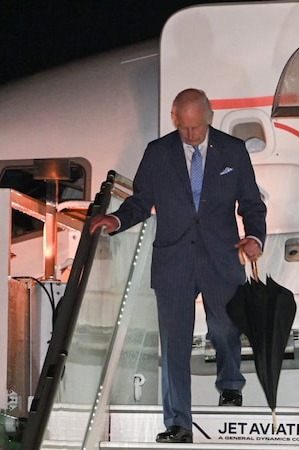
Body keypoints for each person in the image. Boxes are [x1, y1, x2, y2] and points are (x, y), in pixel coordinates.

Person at [88, 88, 266, 444]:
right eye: (184, 128)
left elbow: (251, 202)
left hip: (221, 255)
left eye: (196, 128)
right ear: (175, 120)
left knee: (225, 326)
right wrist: (116, 221)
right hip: (174, 261)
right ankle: (178, 423)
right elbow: (140, 203)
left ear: (208, 118)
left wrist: (254, 238)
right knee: (174, 344)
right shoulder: (157, 153)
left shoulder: (232, 150)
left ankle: (230, 385)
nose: (190, 136)